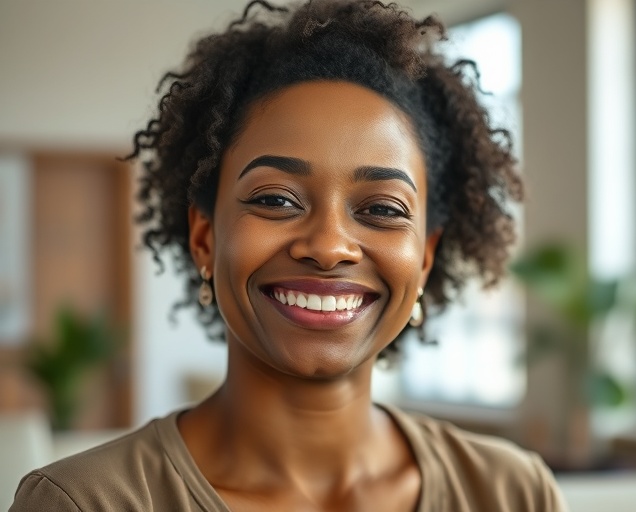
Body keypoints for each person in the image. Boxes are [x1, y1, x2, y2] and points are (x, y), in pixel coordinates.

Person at [10, 0, 567, 510]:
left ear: (424, 257)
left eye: (381, 209)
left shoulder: (513, 493)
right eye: (276, 199)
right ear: (204, 237)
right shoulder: (85, 503)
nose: (328, 247)